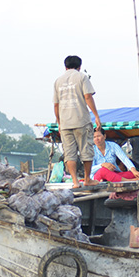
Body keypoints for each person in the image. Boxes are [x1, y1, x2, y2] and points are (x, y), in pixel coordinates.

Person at [52, 55, 102, 188]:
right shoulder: (82, 77)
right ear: (79, 67)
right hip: (81, 120)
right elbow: (88, 96)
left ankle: (75, 182)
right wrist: (96, 115)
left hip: (65, 123)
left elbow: (56, 104)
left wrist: (59, 122)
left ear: (65, 67)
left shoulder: (58, 81)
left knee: (69, 154)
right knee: (86, 150)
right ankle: (87, 179)